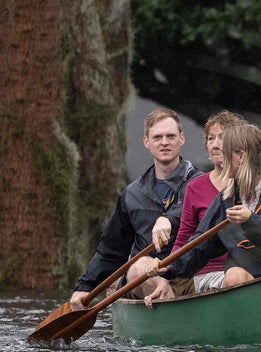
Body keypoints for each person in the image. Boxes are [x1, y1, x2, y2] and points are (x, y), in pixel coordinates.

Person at [141, 122, 261, 304]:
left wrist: (251, 220)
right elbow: (200, 245)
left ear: (241, 157)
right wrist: (169, 267)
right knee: (234, 275)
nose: (219, 158)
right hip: (245, 277)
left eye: (225, 153)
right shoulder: (225, 199)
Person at [67, 108, 201, 310]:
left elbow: (200, 210)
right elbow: (111, 251)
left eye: (171, 136)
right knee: (140, 266)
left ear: (181, 139)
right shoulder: (132, 194)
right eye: (157, 137)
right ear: (146, 141)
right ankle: (174, 319)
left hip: (187, 275)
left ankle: (174, 318)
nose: (164, 142)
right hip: (143, 280)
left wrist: (168, 219)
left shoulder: (200, 183)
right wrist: (85, 285)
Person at [152, 110, 246, 297]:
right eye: (211, 139)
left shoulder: (252, 184)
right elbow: (183, 239)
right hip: (210, 274)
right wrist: (165, 279)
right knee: (237, 277)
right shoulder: (195, 187)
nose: (216, 145)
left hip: (251, 268)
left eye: (223, 138)